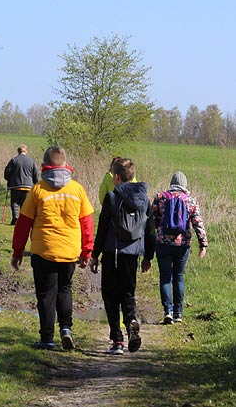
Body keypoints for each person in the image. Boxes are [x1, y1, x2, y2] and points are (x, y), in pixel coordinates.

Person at [11, 146, 94, 351]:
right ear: (66, 166)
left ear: (43, 166)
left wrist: (18, 251)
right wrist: (87, 251)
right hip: (69, 251)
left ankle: (47, 338)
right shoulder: (77, 190)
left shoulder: (38, 190)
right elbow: (87, 223)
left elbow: (23, 224)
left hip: (43, 250)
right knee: (64, 289)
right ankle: (66, 329)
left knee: (46, 295)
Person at [90, 158, 155, 355]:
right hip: (132, 256)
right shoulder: (145, 199)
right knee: (128, 293)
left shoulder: (111, 198)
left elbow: (102, 230)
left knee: (110, 297)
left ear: (116, 177)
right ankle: (131, 322)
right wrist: (148, 257)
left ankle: (117, 340)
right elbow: (151, 231)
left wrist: (95, 255)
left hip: (112, 254)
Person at [152, 171, 208, 325]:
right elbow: (198, 223)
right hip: (182, 245)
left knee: (165, 278)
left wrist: (154, 235)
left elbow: (152, 221)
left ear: (171, 183)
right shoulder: (190, 200)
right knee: (179, 277)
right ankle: (178, 313)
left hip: (163, 243)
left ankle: (167, 311)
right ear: (184, 184)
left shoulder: (160, 197)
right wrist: (203, 244)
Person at [4, 144, 39, 225]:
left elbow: (7, 173)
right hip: (27, 187)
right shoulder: (31, 161)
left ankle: (15, 217)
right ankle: (22, 220)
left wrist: (9, 180)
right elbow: (35, 174)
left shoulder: (13, 160)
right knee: (24, 204)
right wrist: (35, 184)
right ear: (26, 151)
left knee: (14, 202)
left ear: (18, 151)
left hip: (15, 185)